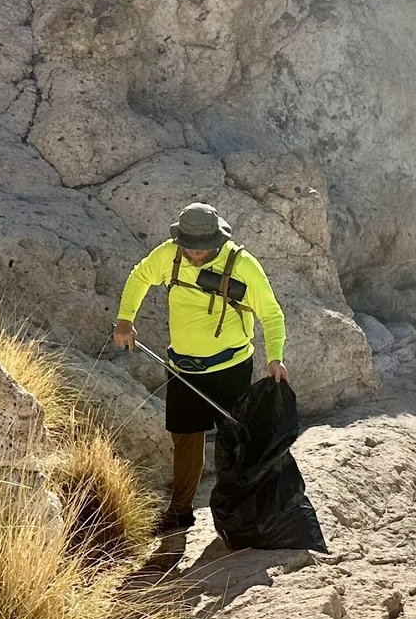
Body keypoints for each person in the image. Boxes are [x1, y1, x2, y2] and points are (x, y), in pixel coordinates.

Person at [114, 203, 288, 535]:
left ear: (217, 239)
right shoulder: (169, 254)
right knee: (185, 439)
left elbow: (271, 314)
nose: (195, 254)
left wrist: (275, 357)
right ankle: (180, 512)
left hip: (230, 369)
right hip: (183, 369)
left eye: (203, 248)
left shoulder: (242, 264)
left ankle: (239, 513)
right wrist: (125, 319)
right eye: (190, 247)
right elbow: (140, 276)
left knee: (234, 440)